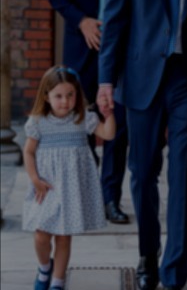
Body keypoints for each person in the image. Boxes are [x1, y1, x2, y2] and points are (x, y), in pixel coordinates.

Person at [97, 0, 187, 290]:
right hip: (140, 75)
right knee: (143, 170)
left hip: (185, 78)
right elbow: (113, 18)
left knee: (183, 171)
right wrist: (105, 81)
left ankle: (175, 272)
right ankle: (147, 255)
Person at [46, 0, 131, 225]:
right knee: (79, 123)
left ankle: (111, 198)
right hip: (82, 50)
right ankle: (86, 194)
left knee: (116, 125)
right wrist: (81, 21)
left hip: (123, 52)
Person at [23, 66, 115, 290]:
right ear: (46, 96)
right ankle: (45, 267)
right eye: (58, 96)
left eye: (70, 95)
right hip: (47, 187)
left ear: (77, 94)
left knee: (64, 237)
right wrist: (35, 179)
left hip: (72, 189)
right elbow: (28, 152)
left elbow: (108, 134)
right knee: (41, 235)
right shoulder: (38, 122)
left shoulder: (83, 119)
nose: (65, 101)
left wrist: (108, 114)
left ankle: (57, 280)